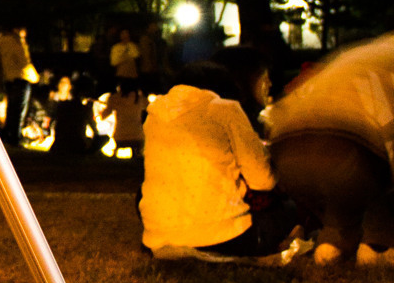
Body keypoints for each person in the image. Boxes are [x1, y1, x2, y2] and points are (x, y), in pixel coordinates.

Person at [139, 62, 305, 262]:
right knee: (288, 209)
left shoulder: (153, 116)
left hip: (159, 238)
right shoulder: (225, 109)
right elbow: (264, 181)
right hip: (224, 237)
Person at [265, 34, 394, 267]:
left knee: (342, 202)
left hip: (287, 144)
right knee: (379, 187)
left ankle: (331, 248)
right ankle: (378, 247)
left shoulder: (361, 52)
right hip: (347, 143)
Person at [0, 26, 37, 147]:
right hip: (21, 79)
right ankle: (15, 138)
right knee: (19, 111)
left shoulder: (2, 41)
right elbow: (24, 62)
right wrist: (35, 77)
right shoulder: (15, 42)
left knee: (11, 110)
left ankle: (8, 136)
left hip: (9, 79)